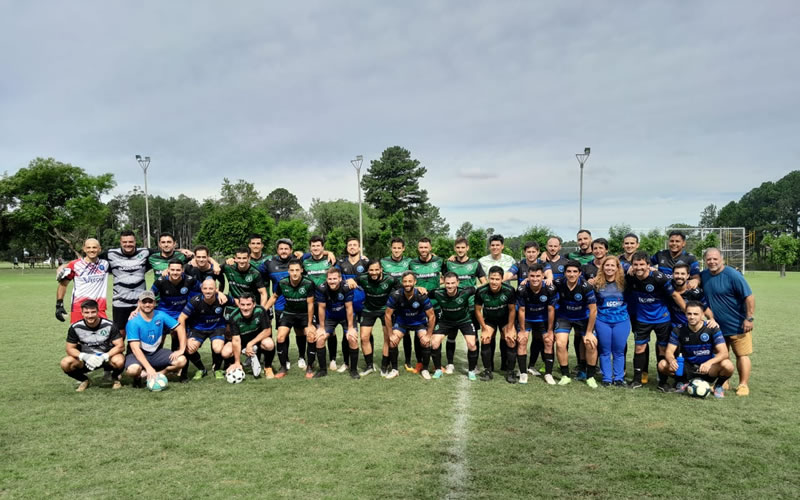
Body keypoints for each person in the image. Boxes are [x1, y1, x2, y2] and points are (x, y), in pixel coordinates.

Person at [626, 252, 686, 391]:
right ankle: (637, 380)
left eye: (642, 264)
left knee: (662, 348)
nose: (639, 267)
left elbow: (674, 295)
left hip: (662, 319)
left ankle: (663, 382)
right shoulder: (630, 277)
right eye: (635, 264)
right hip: (642, 319)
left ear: (648, 265)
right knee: (639, 348)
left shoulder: (659, 278)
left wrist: (687, 312)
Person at [699, 248, 755, 396]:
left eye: (715, 259)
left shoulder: (733, 275)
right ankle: (724, 382)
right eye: (709, 259)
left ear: (722, 259)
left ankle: (743, 385)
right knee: (721, 355)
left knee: (742, 355)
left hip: (738, 325)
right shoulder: (704, 275)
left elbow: (749, 297)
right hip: (716, 327)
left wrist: (749, 318)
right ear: (705, 261)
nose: (712, 262)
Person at [659, 301, 735, 398]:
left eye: (695, 314)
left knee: (728, 365)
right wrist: (671, 360)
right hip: (687, 367)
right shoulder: (678, 330)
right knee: (662, 364)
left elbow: (724, 353)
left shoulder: (712, 329)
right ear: (685, 314)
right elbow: (669, 351)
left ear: (702, 315)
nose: (692, 317)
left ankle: (718, 386)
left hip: (707, 368)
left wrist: (709, 363)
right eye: (689, 314)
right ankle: (683, 381)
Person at [263, 258, 316, 379]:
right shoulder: (282, 282)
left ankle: (309, 366)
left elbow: (310, 304)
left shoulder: (308, 283)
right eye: (292, 270)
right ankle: (283, 367)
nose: (294, 273)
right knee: (280, 337)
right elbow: (274, 297)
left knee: (311, 335)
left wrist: (309, 324)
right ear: (288, 271)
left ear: (301, 270)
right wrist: (263, 309)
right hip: (288, 313)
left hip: (304, 313)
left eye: (297, 270)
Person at [124, 290, 187, 386]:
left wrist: (181, 349)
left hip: (156, 353)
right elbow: (135, 349)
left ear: (154, 303)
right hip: (136, 355)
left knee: (182, 360)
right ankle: (138, 377)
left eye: (150, 302)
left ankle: (159, 374)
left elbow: (180, 328)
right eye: (144, 302)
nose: (147, 305)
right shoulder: (133, 322)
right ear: (139, 303)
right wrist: (148, 368)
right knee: (133, 370)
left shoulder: (160, 315)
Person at [60, 300, 125, 391]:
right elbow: (69, 348)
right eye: (86, 312)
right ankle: (84, 380)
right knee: (65, 363)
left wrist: (105, 356)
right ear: (82, 313)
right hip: (86, 360)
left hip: (106, 359)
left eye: (93, 312)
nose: (90, 315)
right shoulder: (75, 327)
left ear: (98, 311)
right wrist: (84, 356)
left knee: (119, 360)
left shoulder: (109, 325)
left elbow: (120, 346)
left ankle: (115, 378)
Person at [442, 237, 486, 371]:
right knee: (451, 335)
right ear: (454, 248)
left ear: (467, 248)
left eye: (463, 247)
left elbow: (484, 282)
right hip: (453, 306)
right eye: (458, 247)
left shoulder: (475, 263)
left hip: (471, 306)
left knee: (474, 336)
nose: (460, 250)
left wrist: (474, 290)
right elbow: (443, 280)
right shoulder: (449, 263)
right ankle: (450, 363)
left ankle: (474, 365)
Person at [552, 260, 598, 387]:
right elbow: (542, 282)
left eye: (574, 272)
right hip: (564, 317)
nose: (571, 274)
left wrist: (589, 332)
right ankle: (565, 375)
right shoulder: (558, 282)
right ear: (564, 273)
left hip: (582, 318)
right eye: (568, 271)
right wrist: (526, 280)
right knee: (560, 343)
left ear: (580, 273)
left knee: (590, 343)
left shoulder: (586, 287)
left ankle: (590, 376)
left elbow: (593, 310)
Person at [100, 231, 153, 340]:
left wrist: (181, 251)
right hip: (120, 302)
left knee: (140, 332)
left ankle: (135, 351)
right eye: (124, 242)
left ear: (135, 242)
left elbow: (165, 253)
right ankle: (120, 351)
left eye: (130, 242)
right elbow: (91, 258)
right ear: (120, 242)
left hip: (140, 303)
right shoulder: (110, 254)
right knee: (120, 333)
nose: (128, 244)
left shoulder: (145, 252)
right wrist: (68, 265)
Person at [383, 271, 436, 379]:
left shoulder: (421, 295)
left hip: (419, 322)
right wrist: (390, 334)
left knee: (426, 342)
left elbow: (431, 316)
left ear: (415, 282)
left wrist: (428, 335)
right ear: (402, 282)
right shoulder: (396, 295)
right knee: (392, 342)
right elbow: (387, 315)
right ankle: (394, 369)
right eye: (405, 281)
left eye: (410, 281)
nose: (407, 284)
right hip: (402, 322)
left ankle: (425, 369)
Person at [353, 261, 399, 376]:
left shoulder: (390, 279)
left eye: (376, 270)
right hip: (368, 309)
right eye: (371, 270)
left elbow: (404, 289)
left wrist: (418, 288)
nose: (374, 272)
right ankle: (369, 366)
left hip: (385, 310)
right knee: (364, 337)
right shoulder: (362, 278)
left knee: (387, 338)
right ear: (368, 270)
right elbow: (351, 282)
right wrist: (349, 281)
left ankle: (384, 366)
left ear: (381, 269)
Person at [430, 273, 479, 380]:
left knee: (472, 344)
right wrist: (419, 289)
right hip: (446, 321)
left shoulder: (466, 291)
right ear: (444, 283)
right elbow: (423, 294)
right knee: (434, 343)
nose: (450, 286)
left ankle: (471, 371)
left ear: (458, 283)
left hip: (464, 320)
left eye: (453, 283)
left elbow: (481, 288)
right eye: (447, 283)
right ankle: (438, 370)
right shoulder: (438, 293)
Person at [178, 279, 230, 380]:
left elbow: (236, 304)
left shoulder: (223, 298)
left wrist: (229, 323)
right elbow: (181, 318)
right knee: (189, 349)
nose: (208, 291)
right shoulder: (195, 301)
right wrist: (185, 338)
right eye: (205, 288)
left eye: (211, 288)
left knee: (218, 348)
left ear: (215, 289)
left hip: (217, 327)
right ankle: (202, 369)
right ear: (201, 289)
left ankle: (217, 369)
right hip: (198, 328)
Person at [514, 264, 557, 385]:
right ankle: (523, 373)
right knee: (522, 341)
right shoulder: (522, 289)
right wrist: (522, 330)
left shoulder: (550, 289)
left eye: (538, 276)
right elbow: (521, 310)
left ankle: (548, 374)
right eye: (532, 276)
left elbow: (551, 310)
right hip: (527, 318)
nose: (535, 279)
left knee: (548, 341)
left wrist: (550, 331)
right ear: (528, 276)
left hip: (543, 319)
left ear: (543, 276)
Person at [313, 267, 359, 379]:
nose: (332, 281)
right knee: (320, 339)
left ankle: (353, 370)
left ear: (340, 279)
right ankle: (322, 370)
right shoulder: (321, 288)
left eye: (334, 279)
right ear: (326, 279)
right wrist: (321, 328)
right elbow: (321, 308)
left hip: (345, 317)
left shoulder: (346, 288)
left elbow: (349, 308)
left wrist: (350, 328)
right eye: (330, 279)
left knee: (352, 338)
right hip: (330, 317)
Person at [474, 266, 517, 381]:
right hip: (490, 319)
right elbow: (478, 310)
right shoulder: (481, 291)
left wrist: (510, 328)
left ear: (502, 279)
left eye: (497, 279)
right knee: (485, 338)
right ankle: (488, 370)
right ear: (488, 278)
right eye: (492, 279)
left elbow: (512, 310)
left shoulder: (509, 290)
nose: (494, 282)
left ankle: (510, 371)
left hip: (505, 319)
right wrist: (484, 328)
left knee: (510, 339)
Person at [593, 256, 630, 387]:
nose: (609, 268)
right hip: (602, 320)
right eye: (607, 265)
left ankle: (619, 378)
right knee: (605, 350)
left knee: (619, 351)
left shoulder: (624, 283)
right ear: (602, 267)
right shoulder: (596, 284)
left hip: (621, 320)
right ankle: (607, 378)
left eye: (612, 265)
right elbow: (593, 304)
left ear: (617, 268)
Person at [408, 237, 444, 373]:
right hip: (418, 305)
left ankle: (436, 364)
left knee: (436, 334)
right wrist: (417, 287)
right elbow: (407, 280)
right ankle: (419, 362)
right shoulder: (412, 263)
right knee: (419, 334)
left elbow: (448, 276)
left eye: (426, 247)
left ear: (430, 248)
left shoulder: (439, 261)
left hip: (436, 304)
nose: (423, 250)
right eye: (421, 247)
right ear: (418, 248)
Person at [335, 237, 370, 374]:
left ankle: (369, 363)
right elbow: (334, 278)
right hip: (347, 304)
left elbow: (373, 277)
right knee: (348, 334)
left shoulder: (366, 262)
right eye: (350, 245)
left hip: (364, 303)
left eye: (355, 245)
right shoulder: (341, 263)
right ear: (347, 247)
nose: (352, 247)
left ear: (359, 248)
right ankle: (346, 362)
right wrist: (346, 281)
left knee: (366, 335)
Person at [380, 237, 414, 371]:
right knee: (390, 332)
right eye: (394, 248)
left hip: (405, 302)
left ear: (403, 248)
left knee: (406, 333)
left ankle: (407, 361)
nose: (396, 250)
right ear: (391, 248)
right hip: (390, 301)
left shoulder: (409, 262)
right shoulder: (383, 261)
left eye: (399, 248)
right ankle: (389, 360)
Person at [55, 238, 110, 323]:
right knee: (78, 331)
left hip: (99, 308)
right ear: (84, 249)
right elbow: (63, 284)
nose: (91, 250)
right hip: (79, 308)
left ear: (99, 249)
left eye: (94, 247)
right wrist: (59, 305)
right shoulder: (75, 265)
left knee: (104, 331)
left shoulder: (105, 264)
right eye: (88, 247)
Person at [223, 292, 274, 379]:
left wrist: (250, 344)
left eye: (248, 304)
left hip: (257, 341)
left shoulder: (260, 311)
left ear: (254, 304)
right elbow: (236, 340)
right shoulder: (234, 316)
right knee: (226, 352)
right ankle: (237, 365)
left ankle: (267, 367)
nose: (245, 308)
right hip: (242, 342)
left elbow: (267, 331)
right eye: (242, 305)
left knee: (269, 344)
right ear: (239, 305)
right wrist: (237, 361)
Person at [669, 263, 715, 328]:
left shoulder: (695, 291)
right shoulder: (668, 287)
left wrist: (711, 319)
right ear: (672, 275)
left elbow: (705, 308)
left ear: (688, 276)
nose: (679, 276)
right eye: (677, 273)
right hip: (672, 326)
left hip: (690, 327)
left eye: (682, 274)